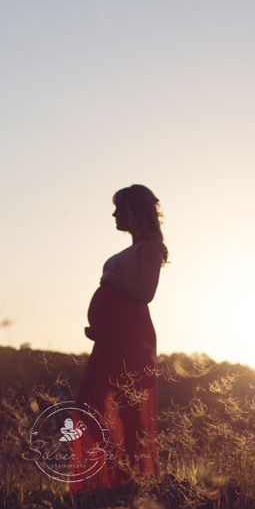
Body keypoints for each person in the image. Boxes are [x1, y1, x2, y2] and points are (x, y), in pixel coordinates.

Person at [69, 184, 168, 491]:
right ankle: (103, 480)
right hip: (111, 340)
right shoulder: (129, 250)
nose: (114, 214)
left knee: (127, 412)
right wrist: (102, 326)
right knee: (88, 405)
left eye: (119, 208)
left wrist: (110, 279)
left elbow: (145, 294)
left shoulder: (151, 248)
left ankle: (129, 485)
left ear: (134, 212)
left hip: (132, 340)